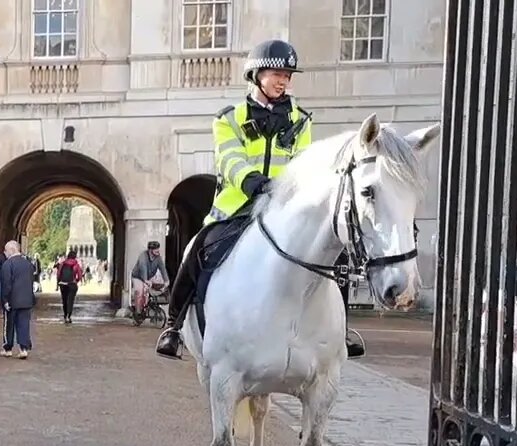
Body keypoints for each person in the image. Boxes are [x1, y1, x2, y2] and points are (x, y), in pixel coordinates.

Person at [155, 39, 366, 359]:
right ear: (256, 74)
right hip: (237, 207)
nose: (283, 80)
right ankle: (173, 324)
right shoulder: (229, 118)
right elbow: (229, 158)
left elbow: (303, 162)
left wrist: (285, 189)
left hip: (283, 208)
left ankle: (341, 329)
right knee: (195, 248)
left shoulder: (301, 120)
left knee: (332, 252)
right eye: (277, 73)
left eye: (288, 75)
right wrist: (253, 182)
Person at [0, 240, 37, 358]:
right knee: (24, 324)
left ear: (11, 250)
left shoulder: (8, 264)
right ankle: (23, 348)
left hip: (12, 300)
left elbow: (6, 284)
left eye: (5, 250)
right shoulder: (28, 264)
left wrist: (4, 300)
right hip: (26, 300)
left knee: (9, 325)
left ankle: (8, 348)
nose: (5, 253)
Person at [131, 240, 169, 313]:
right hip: (138, 277)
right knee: (140, 291)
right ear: (150, 250)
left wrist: (166, 280)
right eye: (155, 249)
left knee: (152, 290)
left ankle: (147, 306)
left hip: (149, 277)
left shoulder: (158, 257)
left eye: (158, 248)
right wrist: (145, 280)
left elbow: (162, 268)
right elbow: (143, 267)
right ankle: (138, 312)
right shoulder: (143, 256)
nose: (158, 250)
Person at [55, 249, 83, 323]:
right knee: (70, 300)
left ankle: (65, 315)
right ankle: (69, 316)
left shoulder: (62, 264)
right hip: (72, 284)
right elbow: (80, 276)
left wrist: (58, 282)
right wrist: (76, 281)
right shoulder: (76, 264)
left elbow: (58, 274)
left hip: (63, 284)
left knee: (64, 300)